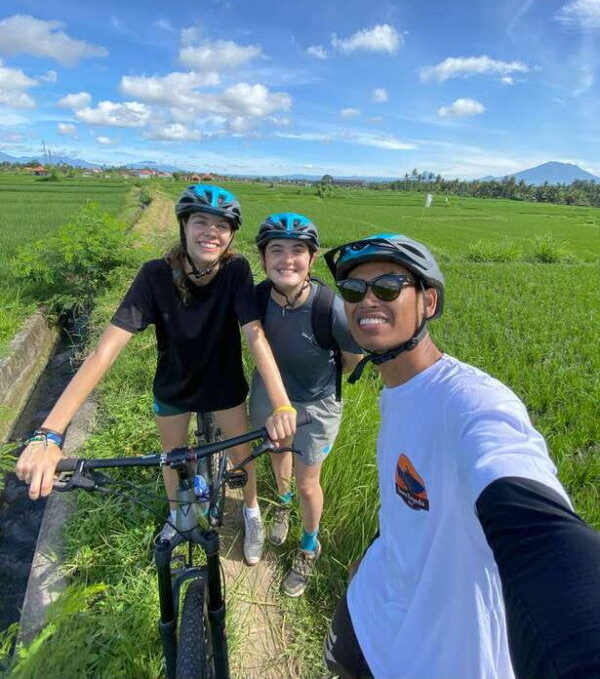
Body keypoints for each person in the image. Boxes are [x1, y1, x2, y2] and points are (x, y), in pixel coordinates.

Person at [322, 233, 600, 679]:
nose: (367, 300)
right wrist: (379, 554)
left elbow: (541, 532)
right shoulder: (399, 391)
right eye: (354, 290)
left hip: (442, 656)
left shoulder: (471, 402)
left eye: (388, 287)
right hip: (374, 614)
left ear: (428, 302)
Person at [15, 184, 298, 565]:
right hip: (174, 384)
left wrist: (281, 403)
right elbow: (104, 352)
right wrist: (49, 434)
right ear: (183, 225)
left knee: (241, 455)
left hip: (223, 383)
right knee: (172, 460)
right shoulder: (154, 275)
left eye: (222, 225)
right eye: (201, 222)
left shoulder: (236, 270)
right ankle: (178, 516)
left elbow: (254, 333)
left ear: (231, 235)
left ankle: (251, 512)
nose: (211, 232)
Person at [249, 212, 362, 596]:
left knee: (308, 481)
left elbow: (352, 358)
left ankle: (309, 547)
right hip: (269, 394)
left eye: (298, 250)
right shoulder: (256, 299)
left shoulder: (330, 307)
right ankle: (282, 505)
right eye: (276, 250)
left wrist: (317, 386)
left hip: (317, 404)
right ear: (263, 258)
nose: (287, 259)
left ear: (312, 259)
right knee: (277, 452)